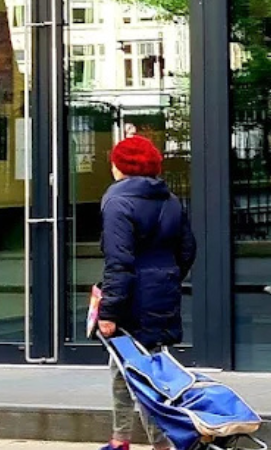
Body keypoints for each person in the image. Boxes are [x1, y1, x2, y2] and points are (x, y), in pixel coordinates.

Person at [97, 134, 197, 450]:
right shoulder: (170, 200)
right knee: (135, 367)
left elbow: (119, 262)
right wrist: (165, 278)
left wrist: (109, 311)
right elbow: (187, 250)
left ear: (121, 167)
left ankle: (161, 443)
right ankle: (121, 439)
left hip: (131, 301)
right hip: (162, 293)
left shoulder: (117, 202)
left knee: (142, 375)